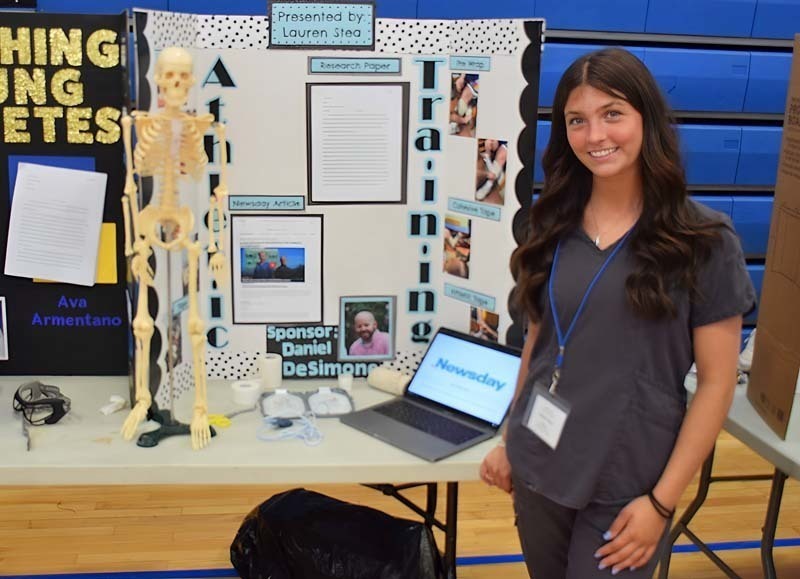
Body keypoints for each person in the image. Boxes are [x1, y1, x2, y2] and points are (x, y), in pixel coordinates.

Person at [479, 48, 756, 579]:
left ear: (646, 118)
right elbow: (538, 341)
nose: (595, 135)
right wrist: (511, 437)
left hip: (627, 484)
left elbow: (718, 384)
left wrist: (662, 503)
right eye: (577, 121)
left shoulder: (704, 241)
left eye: (612, 114)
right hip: (540, 463)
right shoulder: (550, 225)